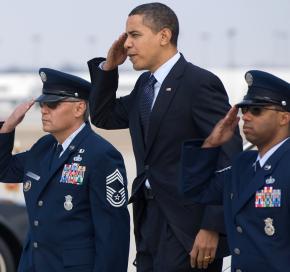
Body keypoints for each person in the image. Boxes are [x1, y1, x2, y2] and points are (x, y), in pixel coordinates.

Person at [88, 2, 242, 271]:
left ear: (164, 36)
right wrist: (108, 68)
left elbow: (229, 156)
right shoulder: (145, 86)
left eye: (134, 35)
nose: (126, 44)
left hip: (188, 230)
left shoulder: (199, 83)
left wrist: (212, 225)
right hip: (150, 221)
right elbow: (103, 116)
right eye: (126, 37)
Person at [0, 68, 130, 272]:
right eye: (43, 104)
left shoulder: (101, 155)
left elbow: (112, 234)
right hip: (34, 265)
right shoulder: (43, 148)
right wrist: (6, 129)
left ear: (79, 108)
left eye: (52, 104)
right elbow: (4, 170)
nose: (44, 110)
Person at [181, 70, 290, 271]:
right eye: (245, 109)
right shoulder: (243, 164)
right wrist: (211, 144)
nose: (246, 116)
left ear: (284, 118)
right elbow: (195, 190)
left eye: (256, 110)